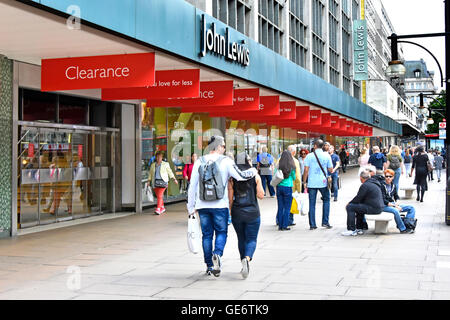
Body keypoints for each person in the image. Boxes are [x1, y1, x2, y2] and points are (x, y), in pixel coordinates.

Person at [187, 136, 258, 277]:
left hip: (202, 205)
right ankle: (217, 254)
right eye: (224, 146)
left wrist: (191, 207)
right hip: (220, 205)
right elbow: (240, 176)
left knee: (206, 235)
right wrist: (254, 171)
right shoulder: (226, 161)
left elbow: (192, 186)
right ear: (218, 146)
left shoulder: (199, 162)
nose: (224, 149)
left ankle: (209, 265)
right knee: (221, 232)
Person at [228, 152, 265, 279]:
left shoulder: (232, 177)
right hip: (253, 212)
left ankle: (243, 262)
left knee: (241, 239)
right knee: (251, 239)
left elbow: (230, 199)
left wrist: (231, 212)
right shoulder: (255, 175)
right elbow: (261, 195)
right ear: (247, 161)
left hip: (237, 212)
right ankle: (247, 259)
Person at [341, 170, 384, 236]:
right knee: (358, 206)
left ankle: (351, 230)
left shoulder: (365, 185)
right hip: (378, 207)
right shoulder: (374, 183)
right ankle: (359, 227)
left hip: (373, 208)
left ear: (361, 178)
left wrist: (349, 203)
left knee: (350, 207)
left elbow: (358, 198)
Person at [303, 139, 333, 230]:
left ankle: (312, 224)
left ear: (315, 146)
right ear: (323, 146)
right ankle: (325, 222)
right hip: (323, 182)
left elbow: (306, 170)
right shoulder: (327, 155)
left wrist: (304, 182)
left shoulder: (309, 156)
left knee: (312, 203)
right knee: (326, 200)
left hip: (312, 182)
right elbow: (330, 170)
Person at [376, 169, 416, 234]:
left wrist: (397, 201)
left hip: (392, 204)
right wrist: (395, 206)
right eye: (386, 176)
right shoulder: (381, 186)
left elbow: (396, 195)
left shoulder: (393, 185)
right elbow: (383, 199)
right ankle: (403, 229)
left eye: (390, 176)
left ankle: (408, 225)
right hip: (383, 205)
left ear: (393, 177)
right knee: (396, 211)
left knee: (411, 208)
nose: (388, 178)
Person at [275, 150, 297, 231]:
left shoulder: (278, 165)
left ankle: (280, 225)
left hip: (279, 187)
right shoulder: (291, 166)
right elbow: (294, 178)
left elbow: (275, 175)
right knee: (287, 207)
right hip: (288, 187)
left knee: (280, 207)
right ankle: (285, 225)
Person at [288, 145, 302, 226]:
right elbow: (297, 177)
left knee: (281, 204)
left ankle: (279, 219)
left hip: (280, 186)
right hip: (291, 186)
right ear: (294, 152)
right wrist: (299, 189)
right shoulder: (295, 161)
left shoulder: (280, 160)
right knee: (290, 204)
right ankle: (289, 220)